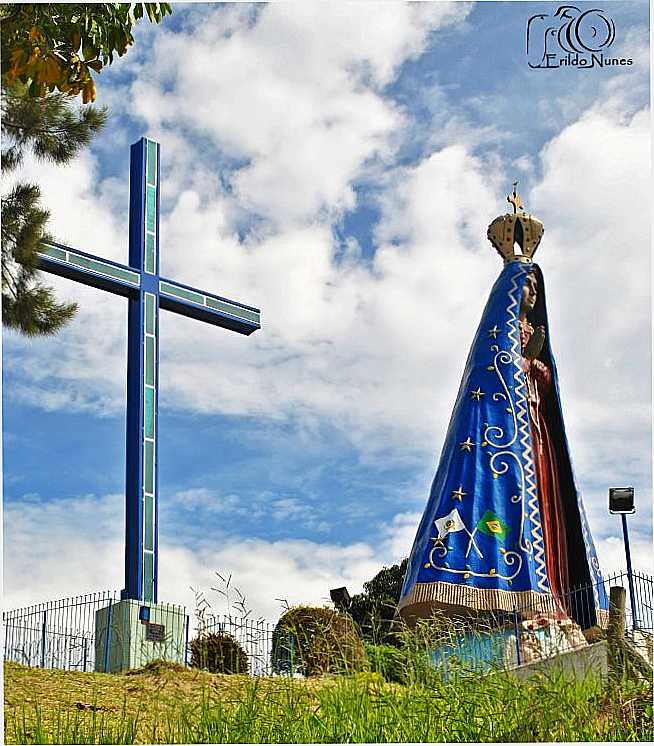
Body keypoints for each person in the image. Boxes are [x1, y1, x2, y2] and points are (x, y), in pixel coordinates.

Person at [398, 191, 607, 629]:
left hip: (535, 435)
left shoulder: (536, 330)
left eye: (534, 287)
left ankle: (558, 599)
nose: (530, 293)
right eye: (524, 287)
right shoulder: (498, 330)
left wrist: (540, 370)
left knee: (549, 509)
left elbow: (540, 379)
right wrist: (526, 361)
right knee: (508, 507)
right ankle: (511, 593)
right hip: (505, 432)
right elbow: (493, 371)